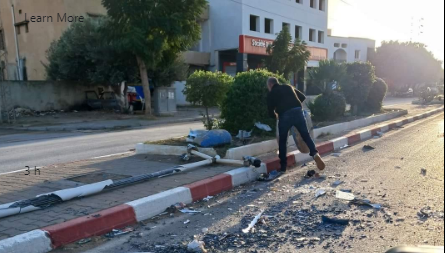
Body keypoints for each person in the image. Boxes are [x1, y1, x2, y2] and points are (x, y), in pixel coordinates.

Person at [267, 77, 326, 173]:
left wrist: (276, 115)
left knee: (283, 141)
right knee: (305, 135)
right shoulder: (288, 86)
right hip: (298, 111)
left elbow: (270, 113)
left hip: (284, 115)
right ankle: (315, 153)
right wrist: (293, 105)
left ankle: (283, 167)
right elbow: (302, 97)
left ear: (270, 85)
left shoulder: (271, 94)